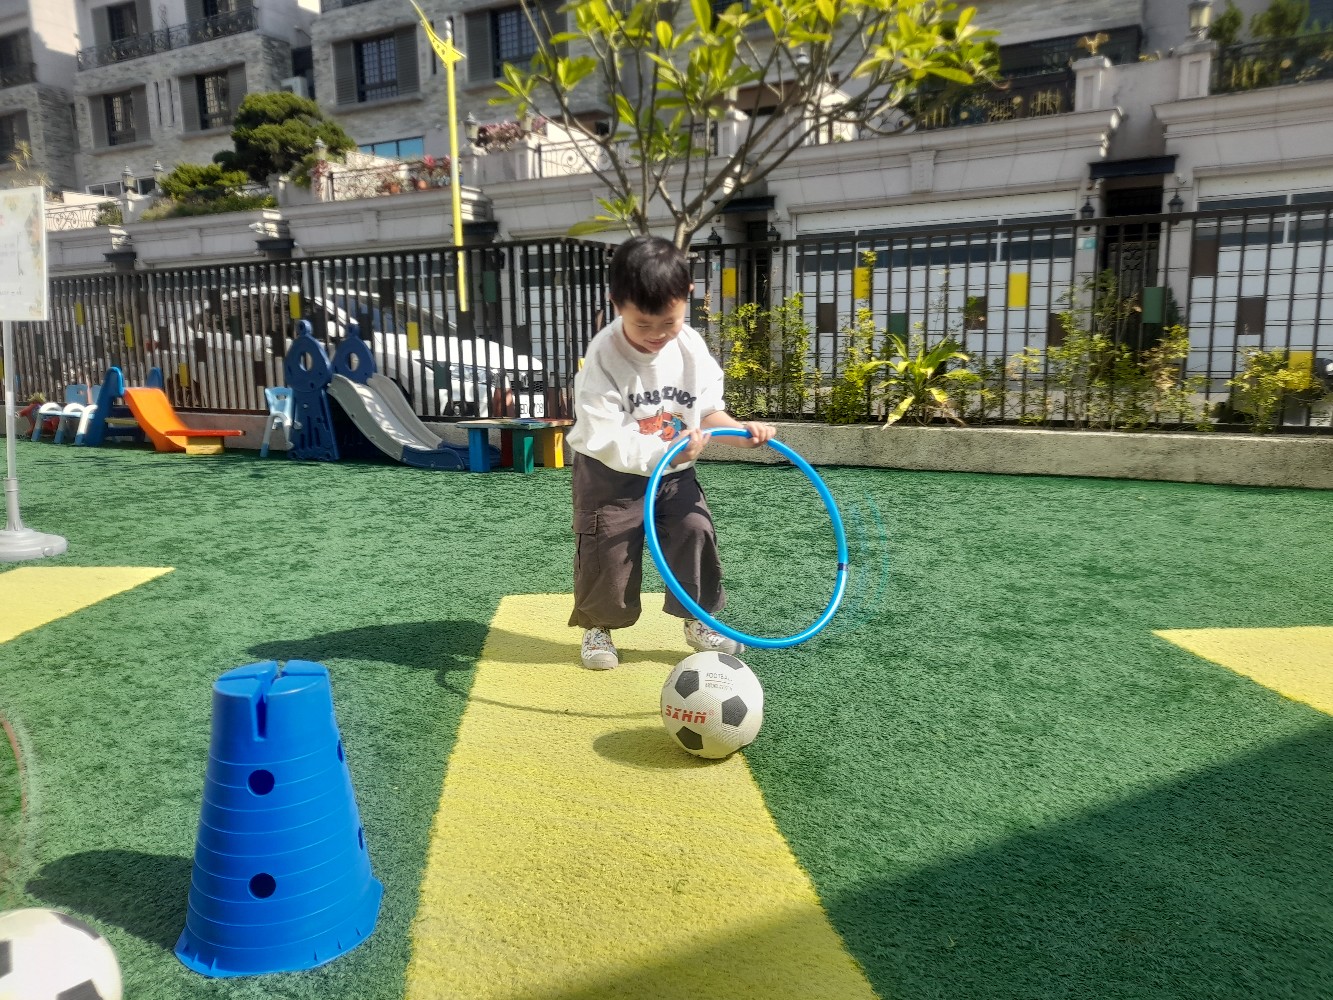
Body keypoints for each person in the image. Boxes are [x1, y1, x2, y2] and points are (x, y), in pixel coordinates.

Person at [566, 234, 776, 670]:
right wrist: (670, 454)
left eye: (669, 321)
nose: (657, 335)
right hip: (609, 473)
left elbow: (709, 411)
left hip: (675, 472)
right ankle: (599, 626)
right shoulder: (603, 357)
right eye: (642, 324)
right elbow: (605, 435)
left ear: (687, 297)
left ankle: (699, 618)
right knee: (609, 548)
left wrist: (741, 433)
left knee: (695, 528)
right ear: (617, 304)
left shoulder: (690, 347)